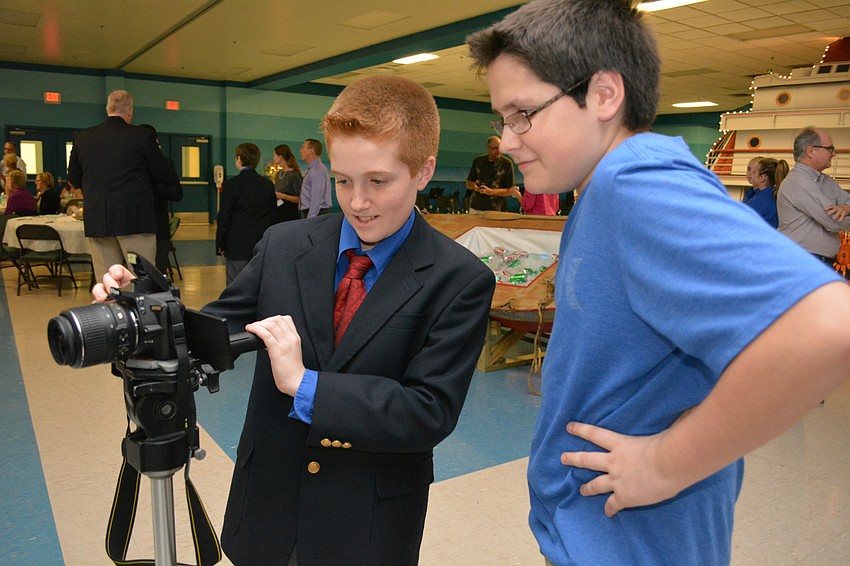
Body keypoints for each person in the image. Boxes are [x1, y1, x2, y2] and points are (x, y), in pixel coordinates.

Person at [467, 1, 850, 565]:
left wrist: (667, 463)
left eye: (522, 113)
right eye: (500, 118)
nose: (505, 139)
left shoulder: (635, 183)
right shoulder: (602, 190)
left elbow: (828, 327)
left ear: (603, 95)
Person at [93, 74, 496, 566]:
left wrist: (305, 386)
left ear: (424, 170)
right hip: (268, 507)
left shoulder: (459, 279)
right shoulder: (286, 246)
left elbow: (428, 410)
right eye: (344, 180)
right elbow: (214, 331)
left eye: (378, 181)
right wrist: (141, 311)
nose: (357, 202)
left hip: (366, 524)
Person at [67, 89, 171, 279]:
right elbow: (161, 174)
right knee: (142, 279)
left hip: (99, 219)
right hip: (135, 220)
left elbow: (73, 177)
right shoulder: (142, 135)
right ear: (130, 111)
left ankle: (111, 309)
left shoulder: (83, 138)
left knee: (107, 281)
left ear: (108, 108)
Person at [777, 126, 850, 265]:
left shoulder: (826, 181)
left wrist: (846, 207)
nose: (833, 154)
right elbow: (832, 222)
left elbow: (847, 202)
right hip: (800, 261)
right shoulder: (797, 182)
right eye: (829, 149)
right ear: (811, 151)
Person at [215, 142, 276, 284]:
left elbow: (224, 217)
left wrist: (221, 244)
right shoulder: (267, 185)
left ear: (238, 159)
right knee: (258, 284)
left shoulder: (231, 185)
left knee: (235, 285)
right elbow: (273, 216)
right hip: (261, 243)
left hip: (236, 245)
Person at [139, 124, 183, 275]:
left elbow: (177, 193)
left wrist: (154, 190)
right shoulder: (131, 166)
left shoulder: (164, 164)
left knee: (158, 273)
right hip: (136, 229)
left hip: (158, 228)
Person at [465, 136, 517, 213]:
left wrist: (491, 191)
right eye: (495, 148)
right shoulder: (478, 161)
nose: (498, 151)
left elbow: (511, 190)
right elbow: (468, 183)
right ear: (488, 147)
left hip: (494, 208)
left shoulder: (507, 164)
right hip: (475, 207)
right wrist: (474, 187)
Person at [742, 156, 788, 228]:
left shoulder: (760, 201)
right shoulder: (774, 194)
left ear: (762, 178)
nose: (750, 174)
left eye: (754, 172)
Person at [299, 138, 332, 217]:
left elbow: (317, 197)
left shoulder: (317, 170)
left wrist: (311, 218)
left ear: (311, 151)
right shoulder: (313, 169)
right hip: (314, 212)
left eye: (303, 147)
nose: (300, 151)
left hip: (316, 213)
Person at [272, 144, 303, 223]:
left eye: (274, 155)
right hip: (279, 212)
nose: (273, 158)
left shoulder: (294, 175)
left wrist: (282, 196)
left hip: (290, 214)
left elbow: (299, 199)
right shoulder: (278, 174)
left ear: (280, 157)